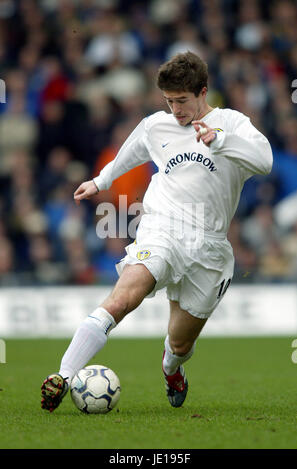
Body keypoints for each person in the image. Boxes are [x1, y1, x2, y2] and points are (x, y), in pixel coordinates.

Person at [41, 52, 273, 412]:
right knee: (123, 298)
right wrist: (100, 180)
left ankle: (171, 368)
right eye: (169, 101)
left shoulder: (232, 123)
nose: (176, 109)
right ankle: (64, 374)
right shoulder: (157, 126)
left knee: (180, 344)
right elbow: (129, 152)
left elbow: (265, 160)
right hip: (161, 228)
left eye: (182, 100)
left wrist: (220, 140)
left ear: (202, 92)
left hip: (209, 247)